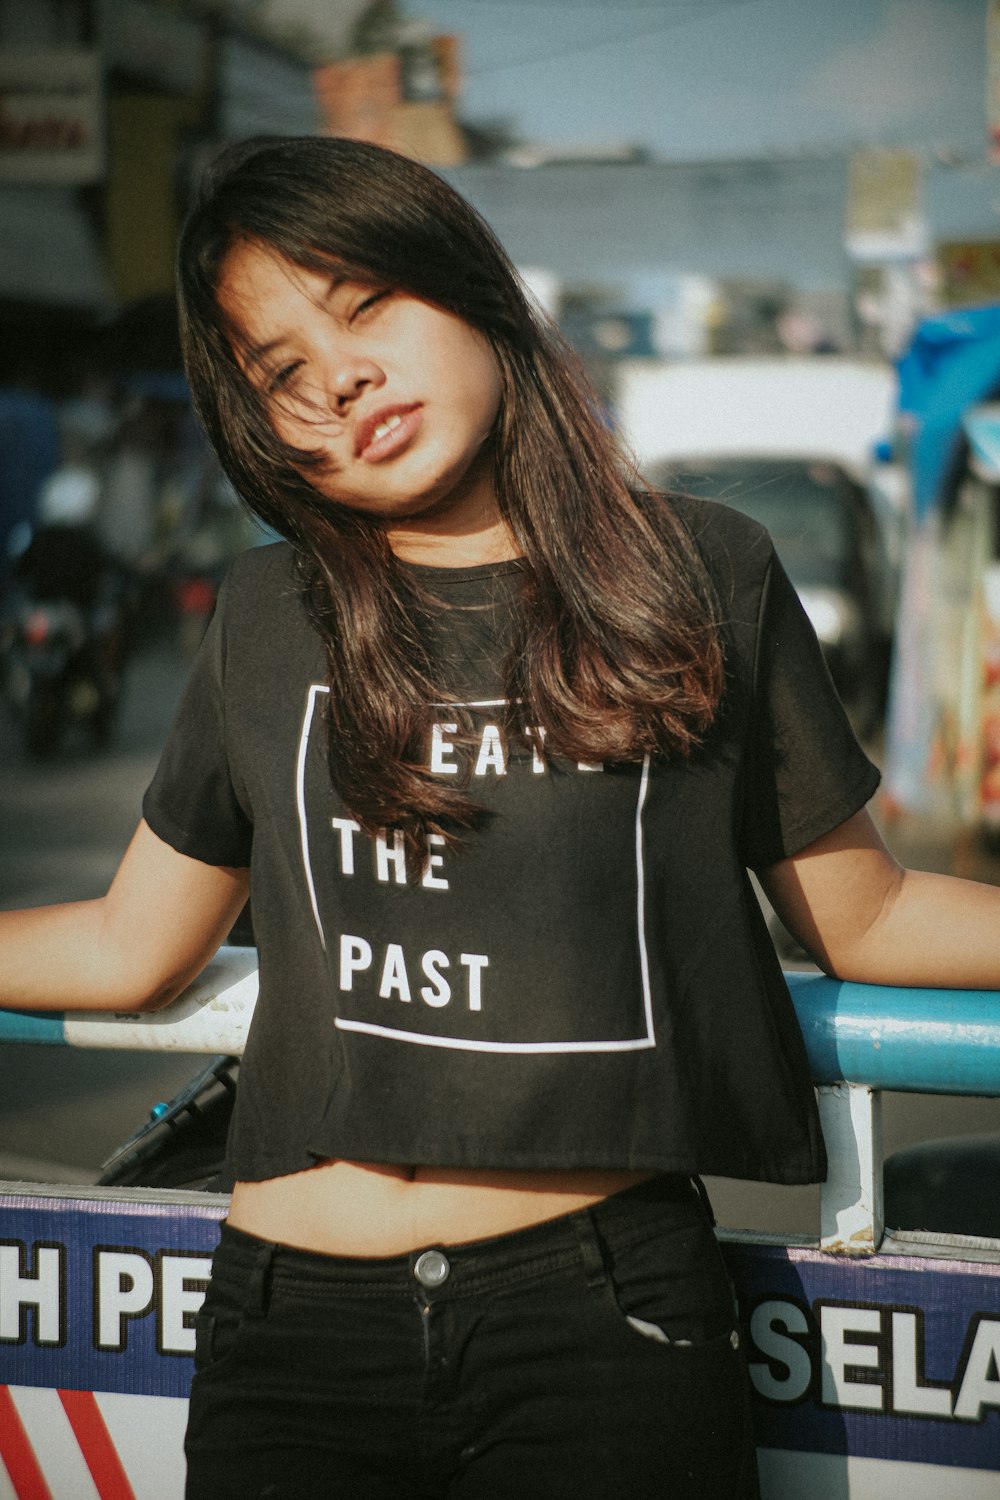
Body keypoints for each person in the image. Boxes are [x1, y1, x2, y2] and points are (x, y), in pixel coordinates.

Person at [2, 136, 1000, 1499]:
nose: (339, 377)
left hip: (603, 1328)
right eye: (283, 370)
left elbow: (868, 916)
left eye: (361, 307)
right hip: (290, 1334)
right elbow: (133, 945)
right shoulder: (266, 614)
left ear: (467, 284)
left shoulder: (700, 575)